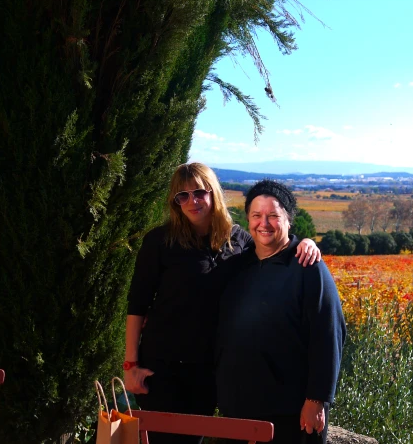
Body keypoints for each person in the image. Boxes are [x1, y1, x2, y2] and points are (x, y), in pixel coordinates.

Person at [124, 164, 321, 444]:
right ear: (175, 202)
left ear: (213, 193)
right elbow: (137, 304)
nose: (192, 201)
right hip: (162, 369)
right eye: (182, 196)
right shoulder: (160, 241)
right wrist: (130, 365)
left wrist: (305, 242)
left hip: (211, 370)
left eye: (198, 193)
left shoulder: (240, 240)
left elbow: (275, 246)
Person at [216, 180, 346, 444]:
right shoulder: (237, 266)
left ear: (288, 221)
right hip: (238, 409)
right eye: (256, 215)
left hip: (291, 413)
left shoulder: (308, 267)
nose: (263, 223)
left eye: (273, 216)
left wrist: (316, 400)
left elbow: (328, 334)